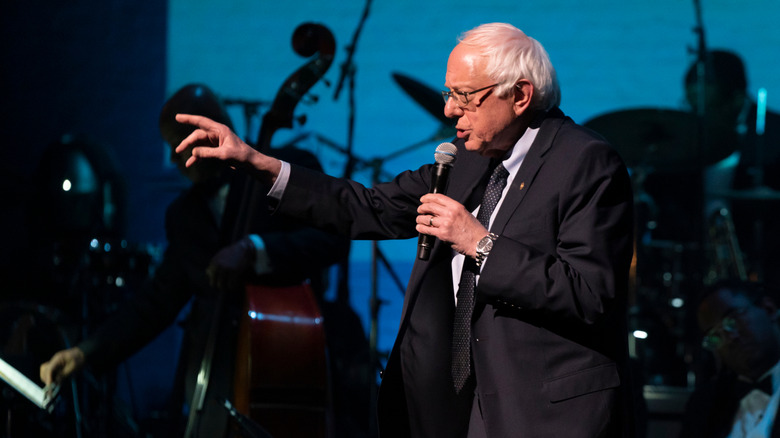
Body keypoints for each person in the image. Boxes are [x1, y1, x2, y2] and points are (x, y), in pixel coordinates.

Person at [174, 23, 636, 437]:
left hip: (545, 414)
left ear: (519, 95)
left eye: (465, 96)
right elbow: (364, 207)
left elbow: (589, 294)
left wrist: (479, 243)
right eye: (448, 93)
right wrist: (256, 162)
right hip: (456, 409)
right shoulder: (468, 158)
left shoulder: (586, 162)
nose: (450, 110)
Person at [38, 84, 353, 437]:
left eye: (178, 143)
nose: (173, 159)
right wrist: (84, 353)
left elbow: (333, 237)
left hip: (284, 369)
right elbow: (155, 303)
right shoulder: (184, 215)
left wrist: (255, 249)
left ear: (210, 132)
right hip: (213, 381)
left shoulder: (282, 170)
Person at [683, 50, 780, 288]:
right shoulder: (683, 135)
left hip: (764, 258)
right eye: (693, 106)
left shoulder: (774, 135)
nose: (700, 116)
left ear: (736, 98)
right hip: (697, 260)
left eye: (709, 108)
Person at [679, 280, 780, 437]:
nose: (729, 338)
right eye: (715, 336)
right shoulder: (704, 404)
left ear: (769, 309)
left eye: (733, 320)